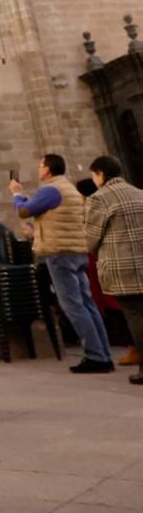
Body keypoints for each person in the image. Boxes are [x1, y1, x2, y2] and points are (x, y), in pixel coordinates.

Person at [12, 154, 114, 373]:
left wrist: (17, 193)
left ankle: (96, 357)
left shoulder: (50, 190)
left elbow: (23, 211)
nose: (39, 170)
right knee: (87, 304)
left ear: (47, 170)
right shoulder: (68, 188)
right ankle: (104, 354)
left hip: (59, 253)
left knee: (73, 305)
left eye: (40, 166)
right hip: (77, 251)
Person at [84, 155, 143, 385]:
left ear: (100, 174)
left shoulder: (100, 198)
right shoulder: (139, 193)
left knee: (136, 316)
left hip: (123, 268)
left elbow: (91, 239)